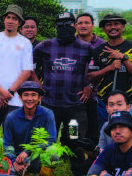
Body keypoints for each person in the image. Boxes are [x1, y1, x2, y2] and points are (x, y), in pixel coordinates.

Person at [33, 13, 92, 143]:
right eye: (60, 24)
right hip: (50, 105)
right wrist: (37, 85)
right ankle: (48, 162)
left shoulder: (86, 48)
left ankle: (72, 160)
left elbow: (97, 69)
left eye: (68, 23)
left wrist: (90, 86)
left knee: (74, 138)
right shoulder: (45, 46)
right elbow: (29, 66)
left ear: (74, 25)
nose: (64, 26)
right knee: (47, 139)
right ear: (56, 26)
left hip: (75, 106)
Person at [0, 5, 34, 135]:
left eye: (14, 18)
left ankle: (9, 157)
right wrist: (0, 91)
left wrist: (9, 92)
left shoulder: (25, 43)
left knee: (13, 137)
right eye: (8, 17)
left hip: (15, 99)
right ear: (4, 19)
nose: (10, 21)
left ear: (19, 22)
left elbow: (27, 71)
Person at [87, 14, 132, 112]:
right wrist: (109, 68)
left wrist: (124, 58)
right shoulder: (99, 50)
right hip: (104, 105)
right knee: (103, 128)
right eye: (109, 24)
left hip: (129, 104)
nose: (113, 27)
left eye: (116, 24)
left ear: (123, 27)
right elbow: (90, 77)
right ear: (104, 28)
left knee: (128, 128)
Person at [2, 81, 57, 176]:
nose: (29, 99)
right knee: (6, 171)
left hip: (38, 155)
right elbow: (7, 144)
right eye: (26, 95)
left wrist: (28, 152)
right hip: (18, 158)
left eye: (34, 95)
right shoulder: (11, 117)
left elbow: (51, 140)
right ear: (20, 97)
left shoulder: (47, 114)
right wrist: (15, 161)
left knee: (54, 154)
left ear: (39, 98)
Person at [76, 12, 107, 144]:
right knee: (74, 129)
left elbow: (106, 70)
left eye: (87, 22)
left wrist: (90, 86)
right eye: (80, 23)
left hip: (96, 97)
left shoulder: (102, 45)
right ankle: (74, 156)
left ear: (93, 25)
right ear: (75, 25)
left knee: (95, 131)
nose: (83, 25)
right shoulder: (69, 43)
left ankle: (94, 157)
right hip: (74, 97)